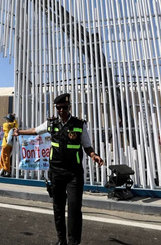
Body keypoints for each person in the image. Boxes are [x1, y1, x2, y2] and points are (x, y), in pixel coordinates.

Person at [13, 93, 104, 245]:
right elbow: (36, 130)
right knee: (58, 208)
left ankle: (73, 242)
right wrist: (20, 132)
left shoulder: (79, 124)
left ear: (69, 107)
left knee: (74, 208)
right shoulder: (51, 124)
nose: (61, 110)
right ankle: (61, 240)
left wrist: (94, 155)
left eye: (64, 108)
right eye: (58, 108)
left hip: (74, 173)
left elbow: (87, 145)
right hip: (56, 172)